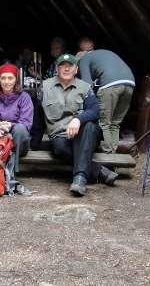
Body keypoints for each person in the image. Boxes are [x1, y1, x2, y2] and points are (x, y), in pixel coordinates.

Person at [41, 53, 118, 196]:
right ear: (57, 69)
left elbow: (95, 111)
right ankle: (99, 170)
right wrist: (33, 141)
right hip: (60, 136)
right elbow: (38, 114)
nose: (66, 69)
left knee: (89, 125)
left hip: (83, 134)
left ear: (76, 69)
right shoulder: (45, 87)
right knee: (59, 147)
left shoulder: (85, 87)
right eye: (62, 66)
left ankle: (79, 179)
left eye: (70, 66)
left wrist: (78, 119)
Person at [77, 47, 136, 154]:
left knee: (104, 122)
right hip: (130, 83)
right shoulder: (101, 54)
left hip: (110, 85)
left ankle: (107, 152)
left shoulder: (83, 60)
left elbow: (86, 84)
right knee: (115, 122)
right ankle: (113, 151)